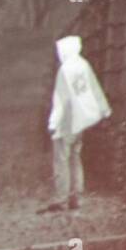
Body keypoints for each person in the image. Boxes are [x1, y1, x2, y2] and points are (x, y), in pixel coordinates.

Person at [47, 35, 111, 210]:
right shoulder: (83, 65)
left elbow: (60, 98)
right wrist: (104, 109)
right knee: (76, 157)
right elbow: (94, 88)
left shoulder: (65, 69)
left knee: (61, 159)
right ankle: (76, 196)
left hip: (67, 119)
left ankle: (61, 198)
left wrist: (53, 123)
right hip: (81, 119)